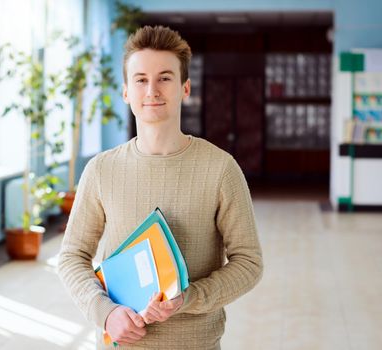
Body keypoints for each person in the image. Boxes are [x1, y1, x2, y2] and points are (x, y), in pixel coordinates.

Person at [58, 25, 263, 350]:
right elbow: (72, 256)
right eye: (140, 79)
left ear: (185, 88)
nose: (152, 90)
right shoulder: (101, 170)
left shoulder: (221, 168)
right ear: (126, 91)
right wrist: (106, 314)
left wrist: (188, 298)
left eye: (165, 78)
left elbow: (249, 263)